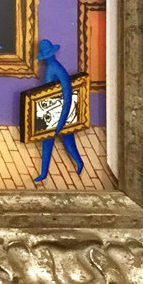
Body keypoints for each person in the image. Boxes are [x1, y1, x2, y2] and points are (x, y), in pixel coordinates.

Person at [34, 39, 84, 181]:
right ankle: (44, 173)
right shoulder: (52, 68)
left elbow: (67, 93)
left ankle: (79, 163)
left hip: (61, 111)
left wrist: (62, 119)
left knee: (68, 141)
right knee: (48, 141)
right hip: (53, 110)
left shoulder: (57, 68)